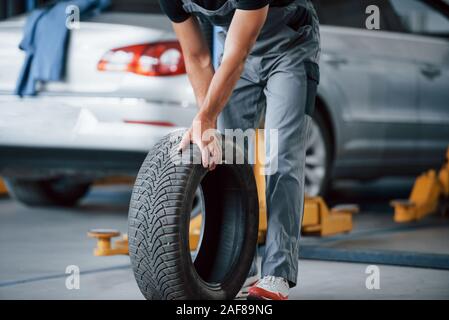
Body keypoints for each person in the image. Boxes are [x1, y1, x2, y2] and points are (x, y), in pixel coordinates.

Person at [159, 0, 320, 300]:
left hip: (289, 48)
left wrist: (206, 117)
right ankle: (239, 266)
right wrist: (206, 123)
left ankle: (277, 273)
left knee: (281, 156)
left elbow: (239, 52)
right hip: (231, 50)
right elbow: (197, 57)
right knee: (229, 154)